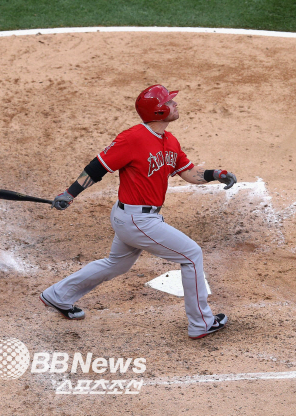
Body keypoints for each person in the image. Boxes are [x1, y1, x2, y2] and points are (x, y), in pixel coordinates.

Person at [40, 85, 237, 340]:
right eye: (170, 102)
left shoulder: (170, 141)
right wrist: (70, 193)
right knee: (191, 255)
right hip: (137, 219)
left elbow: (188, 173)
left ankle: (57, 296)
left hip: (135, 218)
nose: (175, 104)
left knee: (116, 264)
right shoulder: (132, 138)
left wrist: (215, 175)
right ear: (159, 110)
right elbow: (97, 168)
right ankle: (201, 323)